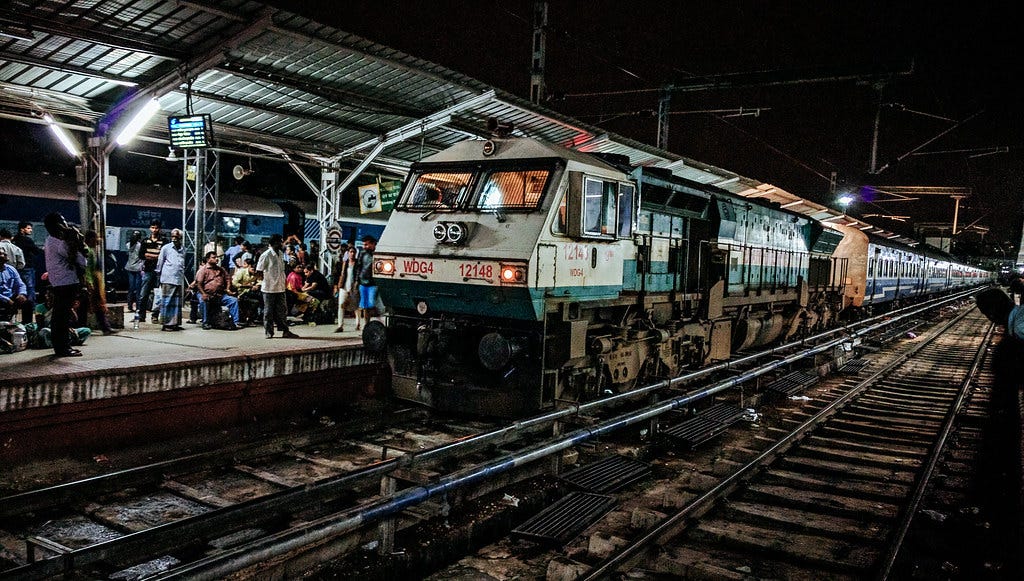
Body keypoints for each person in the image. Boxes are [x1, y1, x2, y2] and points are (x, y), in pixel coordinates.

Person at [42, 212, 87, 357]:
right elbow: (81, 261)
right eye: (63, 221)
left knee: (60, 316)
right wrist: (77, 242)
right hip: (66, 282)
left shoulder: (50, 241)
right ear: (56, 225)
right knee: (62, 317)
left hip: (60, 282)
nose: (66, 224)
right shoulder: (59, 243)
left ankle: (61, 347)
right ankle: (63, 348)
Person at [256, 233, 298, 339]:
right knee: (268, 311)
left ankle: (285, 330)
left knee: (282, 311)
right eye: (280, 241)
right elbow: (259, 271)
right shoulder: (266, 255)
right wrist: (265, 280)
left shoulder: (280, 253)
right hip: (269, 288)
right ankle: (268, 332)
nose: (282, 243)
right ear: (274, 243)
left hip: (280, 287)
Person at [193, 250, 240, 330]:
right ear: (208, 259)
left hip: (219, 294)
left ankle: (235, 322)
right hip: (205, 293)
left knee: (233, 300)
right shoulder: (203, 270)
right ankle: (205, 322)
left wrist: (228, 289)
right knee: (203, 301)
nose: (216, 259)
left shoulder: (221, 269)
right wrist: (203, 294)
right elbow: (198, 284)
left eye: (217, 257)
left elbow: (228, 279)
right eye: (214, 258)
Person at [81, 230, 116, 334]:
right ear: (91, 239)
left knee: (97, 306)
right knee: (88, 306)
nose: (97, 241)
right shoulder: (88, 251)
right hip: (91, 281)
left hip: (93, 281)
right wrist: (90, 282)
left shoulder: (91, 250)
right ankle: (83, 328)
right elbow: (87, 268)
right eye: (96, 238)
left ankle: (105, 327)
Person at [155, 229, 186, 331]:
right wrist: (158, 275)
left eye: (176, 237)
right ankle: (166, 324)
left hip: (178, 279)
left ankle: (175, 323)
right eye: (172, 237)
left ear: (180, 238)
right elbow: (160, 262)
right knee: (167, 302)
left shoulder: (183, 249)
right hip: (168, 278)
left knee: (176, 303)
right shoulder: (166, 248)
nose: (174, 239)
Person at [137, 219, 164, 323]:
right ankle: (141, 316)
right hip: (147, 270)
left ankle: (155, 316)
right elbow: (141, 255)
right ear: (149, 228)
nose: (154, 230)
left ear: (159, 229)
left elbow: (162, 256)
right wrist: (156, 256)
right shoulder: (145, 241)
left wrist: (149, 255)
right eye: (152, 227)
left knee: (157, 295)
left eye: (156, 227)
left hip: (159, 272)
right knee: (143, 294)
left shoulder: (164, 241)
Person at [13, 221, 41, 308]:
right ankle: (30, 305)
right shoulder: (27, 240)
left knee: (18, 286)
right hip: (27, 266)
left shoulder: (14, 240)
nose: (31, 230)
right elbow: (36, 251)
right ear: (22, 229)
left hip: (16, 267)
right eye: (28, 228)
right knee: (30, 286)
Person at [356, 235, 379, 331]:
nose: (365, 246)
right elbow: (359, 267)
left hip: (373, 283)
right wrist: (357, 281)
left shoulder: (378, 254)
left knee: (371, 304)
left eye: (366, 244)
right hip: (363, 282)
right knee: (365, 306)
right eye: (364, 245)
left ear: (373, 244)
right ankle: (367, 325)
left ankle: (373, 323)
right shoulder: (362, 254)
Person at [0, 247, 28, 322]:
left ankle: (27, 327)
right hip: (2, 298)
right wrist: (6, 299)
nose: (5, 254)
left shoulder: (11, 269)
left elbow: (20, 284)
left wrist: (21, 294)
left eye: (5, 253)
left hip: (11, 297)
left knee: (28, 303)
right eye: (2, 254)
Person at [334, 246, 358, 332]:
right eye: (350, 252)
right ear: (348, 253)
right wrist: (336, 286)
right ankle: (340, 325)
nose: (352, 254)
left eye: (353, 252)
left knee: (356, 306)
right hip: (344, 287)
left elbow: (358, 276)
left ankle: (358, 324)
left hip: (354, 287)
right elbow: (337, 275)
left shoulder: (358, 264)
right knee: (341, 305)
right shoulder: (343, 263)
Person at [232, 257, 261, 325]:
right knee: (254, 302)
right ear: (249, 267)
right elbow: (234, 283)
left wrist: (257, 286)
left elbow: (260, 281)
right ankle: (247, 319)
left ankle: (255, 318)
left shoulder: (255, 274)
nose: (254, 272)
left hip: (251, 292)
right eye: (253, 270)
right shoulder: (241, 272)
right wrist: (245, 286)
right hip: (241, 293)